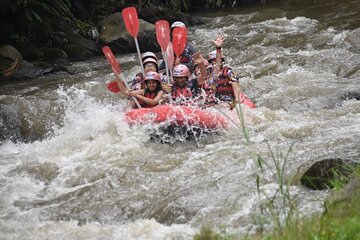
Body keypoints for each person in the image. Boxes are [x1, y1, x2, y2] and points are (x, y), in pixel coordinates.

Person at [207, 34, 241, 109]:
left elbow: (235, 86)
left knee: (223, 106)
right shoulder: (210, 73)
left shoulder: (228, 71)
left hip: (228, 99)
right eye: (212, 61)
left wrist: (237, 100)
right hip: (216, 100)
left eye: (216, 60)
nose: (214, 62)